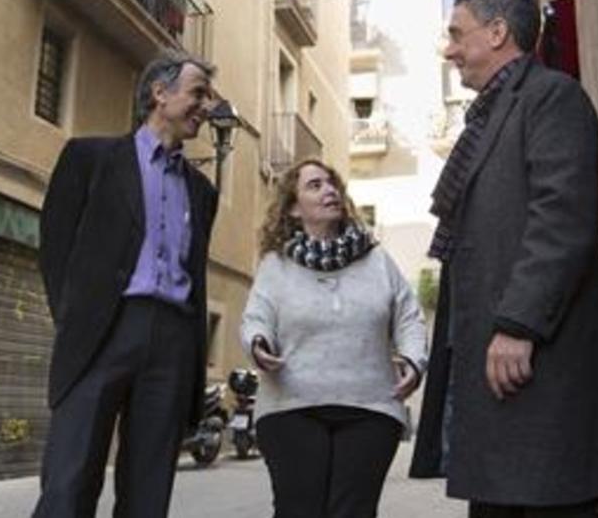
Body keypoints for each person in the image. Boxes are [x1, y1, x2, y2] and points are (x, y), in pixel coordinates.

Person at [409, 0, 598, 518]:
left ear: (497, 33)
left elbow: (560, 220)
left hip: (540, 366)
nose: (448, 50)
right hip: (495, 383)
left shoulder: (551, 97)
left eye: (457, 34)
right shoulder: (490, 116)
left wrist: (518, 324)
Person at [33, 51, 219, 518]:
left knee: (148, 493)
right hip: (104, 329)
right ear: (160, 93)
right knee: (69, 484)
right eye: (198, 93)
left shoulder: (203, 192)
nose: (207, 106)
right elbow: (55, 248)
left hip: (173, 339)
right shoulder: (89, 158)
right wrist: (77, 317)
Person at [241, 159, 427, 518]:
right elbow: (256, 318)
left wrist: (414, 361)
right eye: (314, 185)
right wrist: (259, 344)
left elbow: (410, 317)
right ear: (294, 208)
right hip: (290, 407)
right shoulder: (275, 266)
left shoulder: (377, 261)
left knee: (353, 511)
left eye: (332, 184)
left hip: (370, 407)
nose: (329, 190)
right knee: (299, 510)